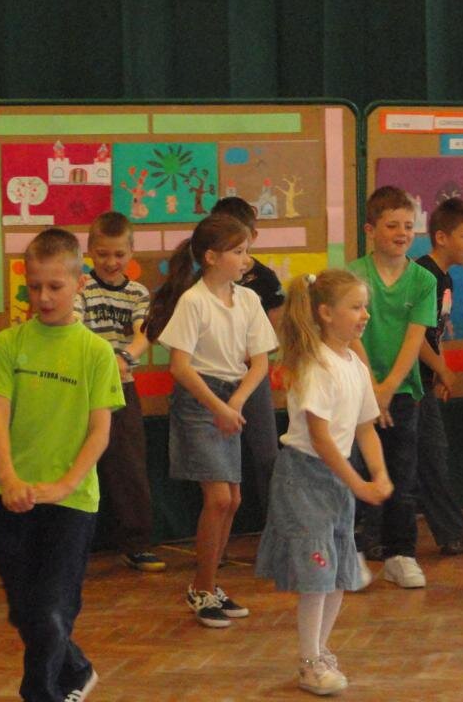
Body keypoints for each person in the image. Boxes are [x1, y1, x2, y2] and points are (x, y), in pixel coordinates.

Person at [0, 228, 124, 702]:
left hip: (72, 503)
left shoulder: (96, 353)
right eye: (34, 286)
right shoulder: (9, 343)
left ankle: (40, 694)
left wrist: (65, 484)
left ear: (79, 282)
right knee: (25, 611)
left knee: (52, 609)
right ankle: (78, 670)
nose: (43, 297)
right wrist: (9, 478)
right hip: (14, 497)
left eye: (55, 287)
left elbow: (99, 431)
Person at [255, 270, 393, 696]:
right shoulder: (316, 365)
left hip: (336, 480)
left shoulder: (354, 364)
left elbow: (365, 428)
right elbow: (320, 438)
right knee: (318, 575)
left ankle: (321, 650)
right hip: (305, 479)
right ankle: (309, 661)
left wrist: (379, 474)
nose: (364, 315)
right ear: (326, 313)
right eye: (356, 307)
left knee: (339, 573)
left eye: (365, 307)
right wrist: (358, 484)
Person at [145, 214, 277, 627]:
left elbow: (260, 362)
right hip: (199, 401)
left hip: (230, 399)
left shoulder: (248, 300)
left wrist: (235, 401)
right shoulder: (194, 301)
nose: (246, 259)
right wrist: (218, 407)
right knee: (218, 498)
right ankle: (201, 588)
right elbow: (180, 367)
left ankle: (211, 584)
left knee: (232, 499)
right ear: (211, 257)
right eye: (238, 251)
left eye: (246, 251)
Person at [348, 185, 436, 589]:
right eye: (392, 225)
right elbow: (350, 335)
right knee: (354, 471)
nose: (402, 233)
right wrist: (371, 388)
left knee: (402, 476)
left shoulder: (422, 280)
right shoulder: (353, 275)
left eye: (408, 226)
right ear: (370, 230)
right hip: (356, 391)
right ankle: (352, 553)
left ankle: (401, 555)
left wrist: (388, 389)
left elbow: (415, 339)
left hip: (401, 394)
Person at [75, 211, 163, 573]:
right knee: (76, 464)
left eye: (119, 254)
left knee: (128, 466)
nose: (111, 262)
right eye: (102, 254)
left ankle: (135, 544)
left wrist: (125, 357)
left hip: (122, 389)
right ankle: (69, 543)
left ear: (131, 253)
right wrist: (104, 360)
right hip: (81, 390)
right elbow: (75, 327)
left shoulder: (137, 293)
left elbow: (145, 331)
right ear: (90, 252)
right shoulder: (81, 287)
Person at [413, 197, 463, 555]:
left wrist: (440, 372)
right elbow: (412, 336)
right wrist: (440, 368)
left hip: (424, 381)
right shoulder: (423, 275)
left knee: (429, 456)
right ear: (441, 237)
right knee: (431, 456)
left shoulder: (446, 279)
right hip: (408, 384)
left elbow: (435, 333)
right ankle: (453, 532)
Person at [210, 197, 284, 522]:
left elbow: (274, 329)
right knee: (217, 460)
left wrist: (252, 355)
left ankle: (276, 525)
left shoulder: (264, 279)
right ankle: (218, 528)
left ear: (252, 236)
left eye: (240, 242)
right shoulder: (204, 280)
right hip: (213, 378)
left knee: (267, 454)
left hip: (253, 376)